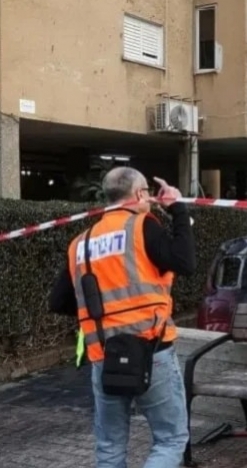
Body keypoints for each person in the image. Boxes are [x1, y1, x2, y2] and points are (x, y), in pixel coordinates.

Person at [49, 168, 195, 468]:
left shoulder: (81, 243)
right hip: (152, 350)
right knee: (170, 439)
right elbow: (185, 261)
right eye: (148, 194)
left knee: (110, 447)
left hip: (104, 356)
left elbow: (59, 301)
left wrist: (101, 312)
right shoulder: (142, 226)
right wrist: (178, 209)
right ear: (140, 194)